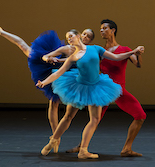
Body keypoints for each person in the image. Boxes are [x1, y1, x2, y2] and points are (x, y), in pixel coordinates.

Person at [0, 19, 94, 153]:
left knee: (58, 106)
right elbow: (49, 57)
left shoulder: (88, 51)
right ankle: (1, 31)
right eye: (83, 34)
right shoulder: (68, 48)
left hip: (65, 76)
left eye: (88, 36)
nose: (85, 37)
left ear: (90, 40)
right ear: (78, 35)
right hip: (51, 67)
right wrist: (48, 58)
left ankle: (56, 137)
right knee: (24, 46)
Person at [36, 29, 144, 159]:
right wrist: (44, 82)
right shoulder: (73, 56)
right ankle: (53, 141)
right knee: (68, 116)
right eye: (67, 38)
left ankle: (83, 151)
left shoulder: (95, 48)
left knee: (95, 119)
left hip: (96, 87)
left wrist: (133, 52)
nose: (69, 39)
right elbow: (58, 73)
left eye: (71, 36)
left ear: (77, 36)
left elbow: (116, 57)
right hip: (79, 87)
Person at [66, 19, 146, 157]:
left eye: (104, 28)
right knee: (95, 120)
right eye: (101, 29)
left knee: (140, 116)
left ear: (113, 30)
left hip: (118, 90)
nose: (101, 31)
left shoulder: (124, 49)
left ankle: (127, 148)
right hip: (102, 90)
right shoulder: (99, 50)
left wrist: (138, 53)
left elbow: (137, 64)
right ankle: (81, 147)